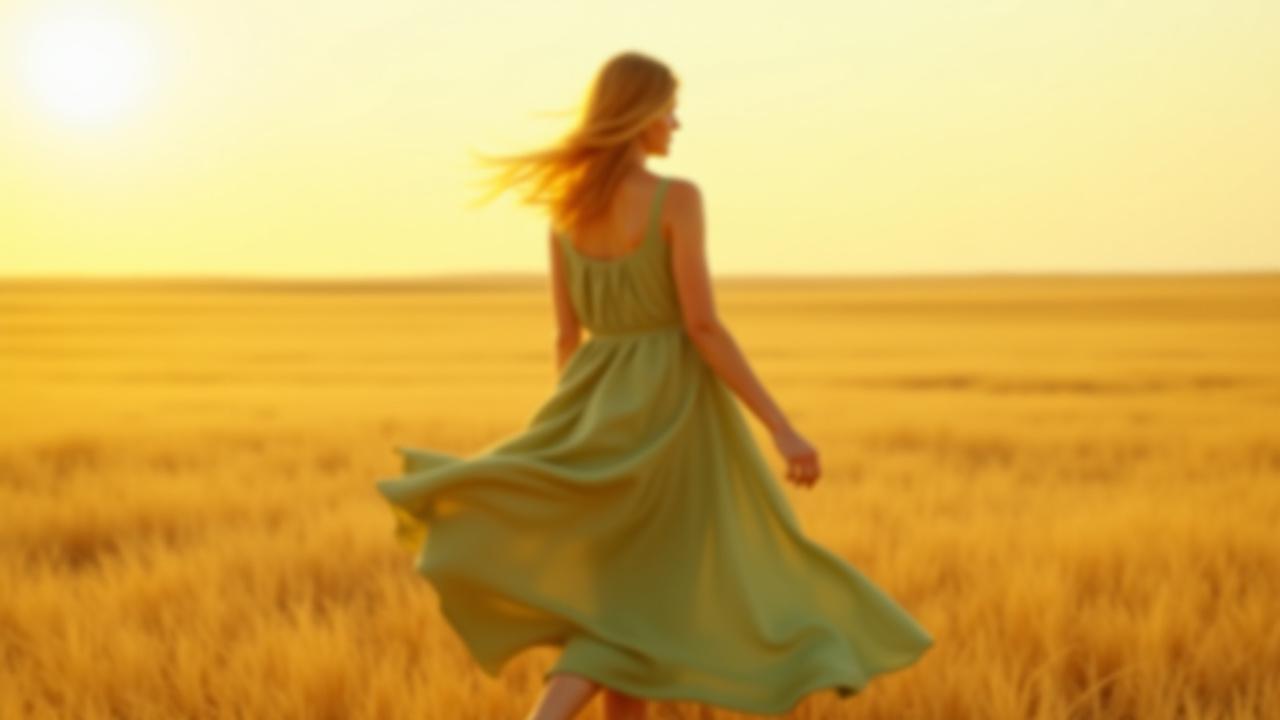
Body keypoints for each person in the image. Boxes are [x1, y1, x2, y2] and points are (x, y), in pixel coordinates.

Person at [374, 50, 934, 720]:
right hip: (672, 418)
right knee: (644, 605)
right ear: (638, 113)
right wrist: (780, 427)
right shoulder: (677, 199)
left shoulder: (563, 211)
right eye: (669, 107)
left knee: (624, 605)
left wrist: (572, 437)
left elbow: (564, 336)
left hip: (593, 413)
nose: (676, 122)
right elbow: (702, 326)